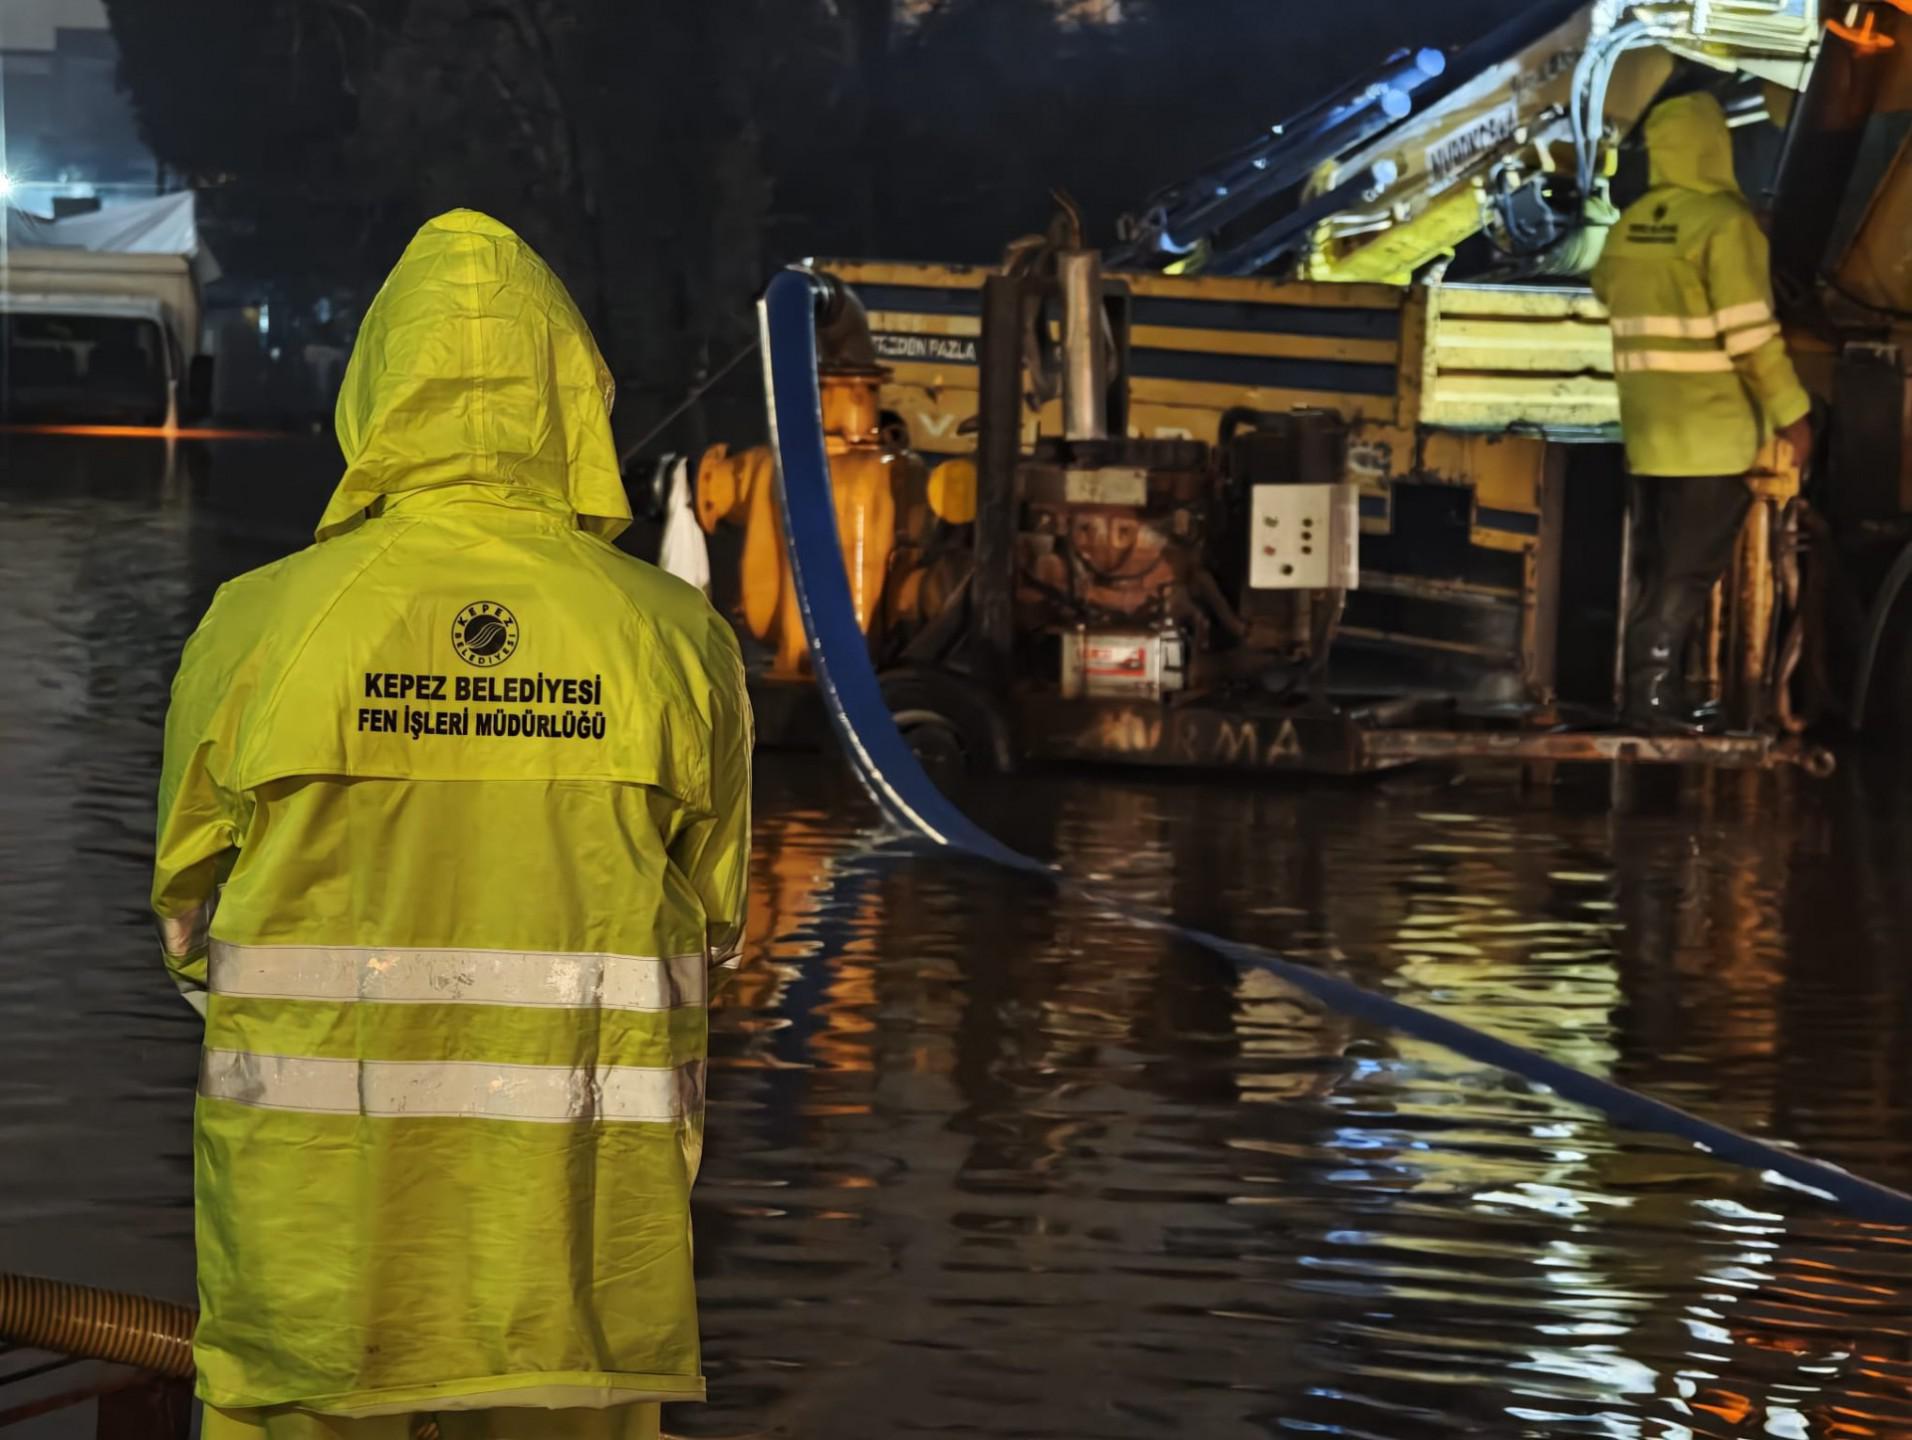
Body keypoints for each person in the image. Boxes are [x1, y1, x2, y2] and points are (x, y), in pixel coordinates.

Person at [152, 210, 752, 1440]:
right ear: (569, 393)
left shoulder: (262, 622)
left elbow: (183, 912)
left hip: (315, 1250)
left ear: (378, 390)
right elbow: (718, 927)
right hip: (575, 1253)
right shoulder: (672, 638)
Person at [1593, 90, 1814, 728]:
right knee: (1687, 575)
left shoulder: (1629, 224)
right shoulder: (1723, 225)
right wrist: (1792, 415)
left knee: (1660, 569)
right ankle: (1652, 698)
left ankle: (1654, 694)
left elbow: (1607, 287)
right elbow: (1750, 336)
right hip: (1713, 432)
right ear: (1713, 145)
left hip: (1650, 433)